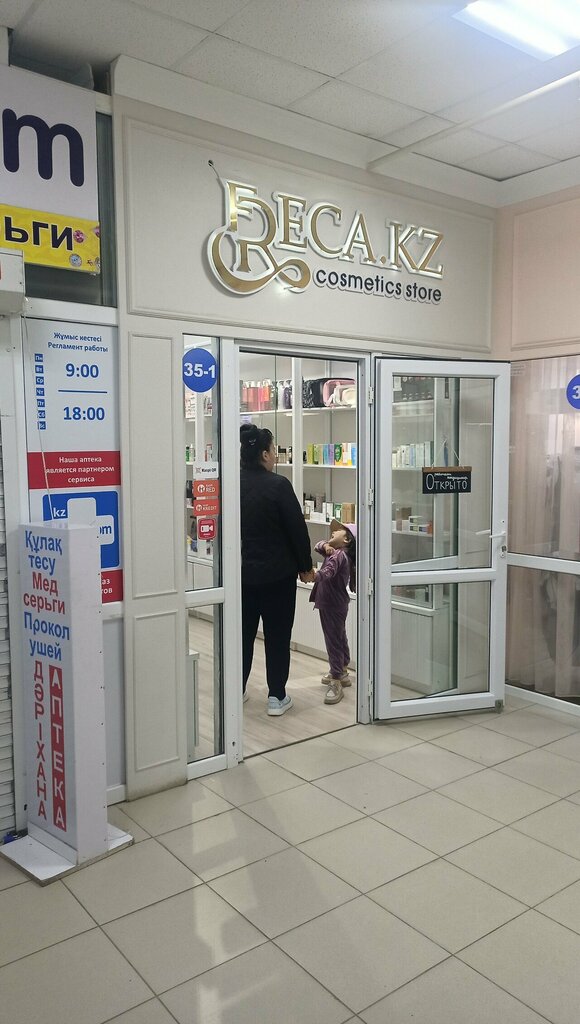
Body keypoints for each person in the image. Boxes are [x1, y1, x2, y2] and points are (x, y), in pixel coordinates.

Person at [240, 423, 314, 716]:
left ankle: (237, 690)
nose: (274, 455)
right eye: (273, 450)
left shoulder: (232, 483)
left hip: (242, 576)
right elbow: (297, 530)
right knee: (278, 636)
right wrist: (305, 567)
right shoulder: (278, 485)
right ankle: (276, 697)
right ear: (265, 454)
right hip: (277, 576)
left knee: (242, 635)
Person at [310, 519, 356, 705]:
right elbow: (317, 545)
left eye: (339, 531)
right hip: (338, 603)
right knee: (339, 636)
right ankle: (342, 669)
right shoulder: (338, 552)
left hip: (330, 603)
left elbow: (327, 572)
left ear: (346, 540)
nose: (334, 532)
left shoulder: (337, 555)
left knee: (333, 641)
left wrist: (313, 575)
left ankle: (336, 679)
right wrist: (326, 546)